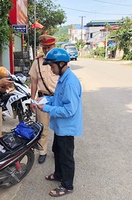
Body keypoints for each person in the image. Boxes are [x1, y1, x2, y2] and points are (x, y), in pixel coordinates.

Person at [37, 48, 82, 197]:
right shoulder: (63, 79)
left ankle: (67, 185)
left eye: (52, 66)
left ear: (62, 64)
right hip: (60, 127)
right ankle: (58, 174)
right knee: (57, 151)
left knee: (66, 156)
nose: (51, 69)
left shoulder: (70, 83)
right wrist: (43, 100)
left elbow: (69, 110)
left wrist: (47, 108)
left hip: (67, 128)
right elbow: (57, 99)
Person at [29, 34, 58, 164]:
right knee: (43, 127)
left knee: (59, 127)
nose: (46, 50)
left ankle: (58, 150)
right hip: (43, 98)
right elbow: (34, 82)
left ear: (54, 46)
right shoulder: (37, 61)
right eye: (44, 47)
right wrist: (32, 99)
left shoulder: (60, 59)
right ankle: (42, 151)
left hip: (57, 99)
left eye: (49, 47)